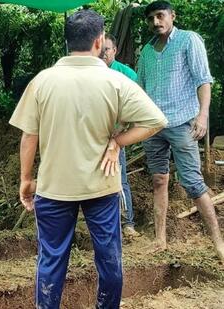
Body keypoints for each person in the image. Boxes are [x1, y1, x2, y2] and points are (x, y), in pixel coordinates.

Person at [9, 10, 167, 308]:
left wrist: (26, 179)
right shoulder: (114, 82)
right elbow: (156, 120)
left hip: (54, 188)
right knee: (109, 260)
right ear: (99, 41)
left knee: (51, 260)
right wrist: (117, 142)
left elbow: (29, 137)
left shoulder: (43, 81)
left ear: (68, 41)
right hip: (101, 187)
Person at [137, 1, 224, 260]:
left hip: (183, 122)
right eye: (151, 17)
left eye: (160, 16)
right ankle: (160, 239)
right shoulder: (147, 53)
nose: (156, 22)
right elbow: (139, 90)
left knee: (193, 183)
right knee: (158, 180)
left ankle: (218, 243)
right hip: (153, 126)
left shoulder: (188, 40)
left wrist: (203, 115)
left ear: (172, 16)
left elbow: (203, 80)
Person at [102, 34, 141, 237]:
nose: (103, 54)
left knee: (119, 178)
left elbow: (138, 103)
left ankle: (127, 223)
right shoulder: (92, 73)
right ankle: (103, 225)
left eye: (107, 49)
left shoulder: (126, 74)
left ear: (115, 50)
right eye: (101, 50)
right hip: (93, 136)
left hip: (116, 137)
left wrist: (124, 127)